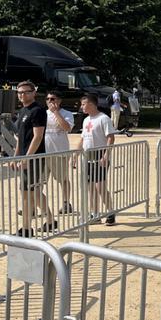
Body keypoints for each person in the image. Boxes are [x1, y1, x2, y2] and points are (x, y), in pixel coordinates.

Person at [13, 81, 55, 236]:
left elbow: (38, 136)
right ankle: (50, 220)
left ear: (33, 93)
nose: (22, 95)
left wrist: (27, 158)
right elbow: (20, 138)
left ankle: (26, 228)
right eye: (19, 92)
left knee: (27, 192)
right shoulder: (22, 111)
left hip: (34, 158)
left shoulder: (38, 110)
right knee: (33, 192)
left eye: (26, 92)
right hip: (26, 157)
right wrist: (16, 156)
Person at [74, 92, 117, 225]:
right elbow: (82, 139)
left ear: (92, 104)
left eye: (83, 104)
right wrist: (75, 156)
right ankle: (95, 213)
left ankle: (110, 212)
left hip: (99, 156)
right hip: (87, 156)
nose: (82, 107)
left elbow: (110, 137)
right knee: (90, 187)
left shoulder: (103, 118)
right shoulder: (86, 120)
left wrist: (106, 155)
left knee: (100, 186)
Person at [44, 90, 75, 214]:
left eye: (53, 99)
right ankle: (33, 206)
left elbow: (67, 128)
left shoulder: (66, 113)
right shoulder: (42, 113)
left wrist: (56, 112)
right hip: (42, 153)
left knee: (63, 179)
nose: (50, 101)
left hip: (59, 152)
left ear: (59, 100)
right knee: (37, 181)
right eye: (48, 99)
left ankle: (66, 203)